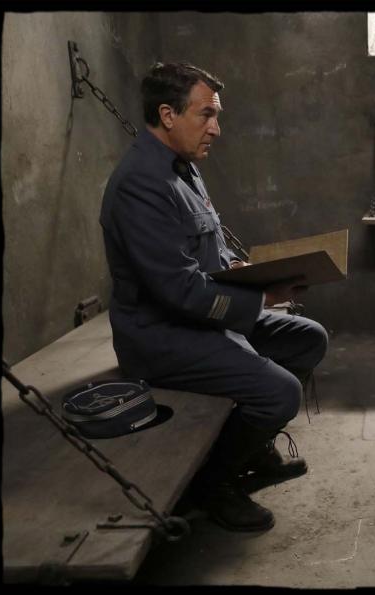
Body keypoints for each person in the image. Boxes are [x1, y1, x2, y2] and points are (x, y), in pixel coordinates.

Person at [100, 62, 328, 532]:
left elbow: (207, 250)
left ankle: (250, 447)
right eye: (206, 115)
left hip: (200, 318)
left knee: (308, 339)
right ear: (168, 114)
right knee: (280, 392)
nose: (216, 128)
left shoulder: (181, 167)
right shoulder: (141, 184)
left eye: (216, 116)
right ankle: (213, 484)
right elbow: (178, 290)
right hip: (161, 338)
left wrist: (242, 271)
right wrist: (262, 297)